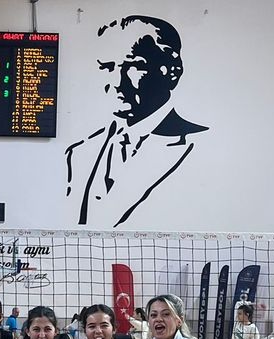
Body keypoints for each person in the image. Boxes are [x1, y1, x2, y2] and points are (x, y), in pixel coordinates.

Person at [65, 14, 208, 227]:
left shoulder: (200, 147)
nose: (116, 82)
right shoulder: (78, 153)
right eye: (108, 67)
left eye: (133, 66)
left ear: (172, 71)